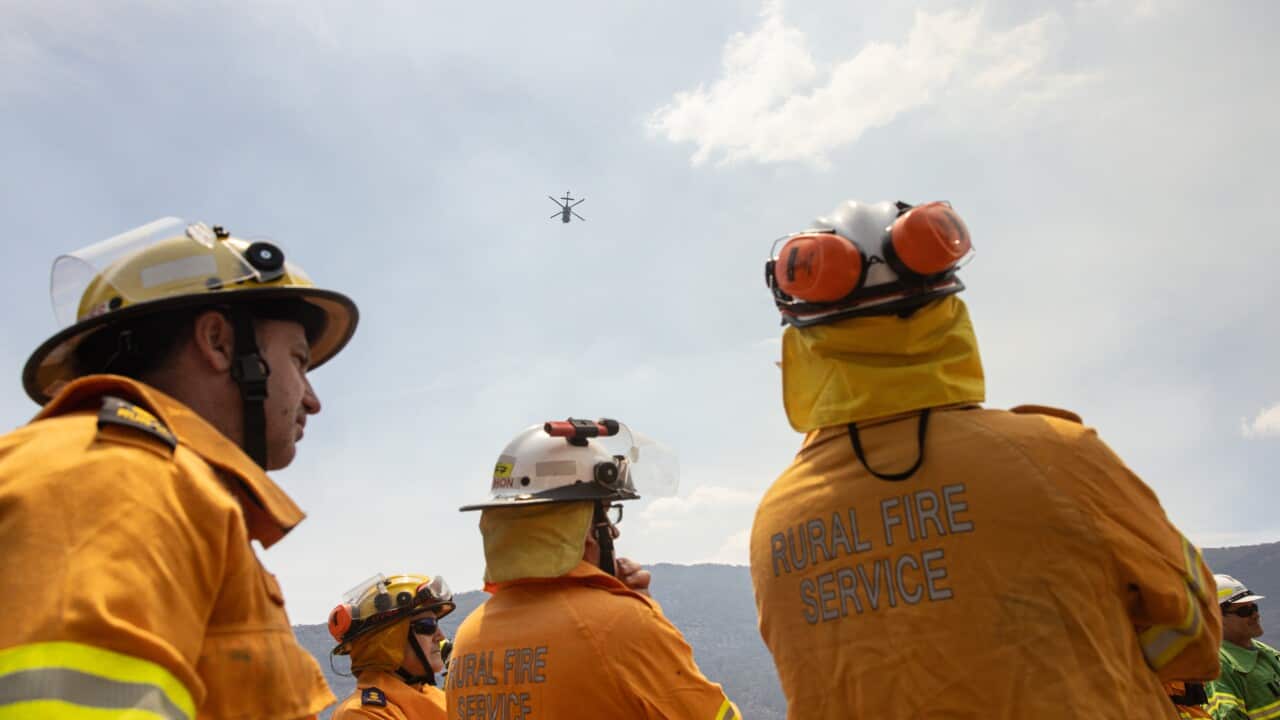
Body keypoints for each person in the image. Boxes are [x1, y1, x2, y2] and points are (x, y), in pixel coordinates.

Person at [748, 199, 1221, 718]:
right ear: (949, 313)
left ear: (802, 344)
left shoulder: (775, 519)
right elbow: (1193, 635)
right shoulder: (1058, 455)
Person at [0, 218, 358, 718]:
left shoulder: (156, 484)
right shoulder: (118, 478)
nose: (312, 399)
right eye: (298, 360)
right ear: (218, 342)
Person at [447, 419, 740, 719]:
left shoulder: (468, 638)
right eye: (608, 512)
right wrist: (644, 615)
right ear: (585, 527)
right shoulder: (622, 625)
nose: (613, 532)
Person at [329, 573, 455, 719]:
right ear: (389, 640)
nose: (440, 636)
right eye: (427, 626)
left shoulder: (438, 698)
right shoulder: (360, 713)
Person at [1206, 574, 1280, 719]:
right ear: (1215, 617)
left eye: (1254, 607)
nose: (1255, 615)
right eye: (1244, 611)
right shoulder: (1218, 667)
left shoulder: (1266, 652)